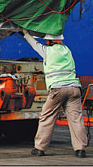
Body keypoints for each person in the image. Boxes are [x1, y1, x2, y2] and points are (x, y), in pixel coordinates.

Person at [22, 30, 87, 158]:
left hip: (58, 89)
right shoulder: (67, 50)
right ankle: (80, 149)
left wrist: (25, 33)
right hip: (74, 88)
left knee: (47, 117)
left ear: (49, 41)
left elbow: (34, 44)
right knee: (76, 119)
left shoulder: (48, 51)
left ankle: (39, 148)